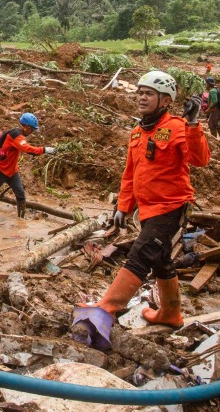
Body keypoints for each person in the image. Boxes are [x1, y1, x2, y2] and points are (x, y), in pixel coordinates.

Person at [77, 70, 210, 350]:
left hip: (171, 208)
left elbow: (200, 160)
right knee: (161, 260)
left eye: (148, 94)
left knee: (141, 255)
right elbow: (130, 173)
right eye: (140, 92)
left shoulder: (177, 127)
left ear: (164, 100)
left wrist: (194, 123)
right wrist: (123, 207)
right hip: (148, 210)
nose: (141, 98)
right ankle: (170, 313)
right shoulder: (137, 133)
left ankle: (107, 307)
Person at [0, 112, 55, 218]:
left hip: (12, 171)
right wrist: (45, 150)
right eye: (32, 129)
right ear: (27, 127)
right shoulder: (16, 135)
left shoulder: (18, 134)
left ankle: (21, 219)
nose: (32, 132)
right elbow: (27, 149)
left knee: (20, 195)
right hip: (1, 170)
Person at [203, 77, 220, 141]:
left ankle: (214, 140)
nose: (206, 85)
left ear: (209, 84)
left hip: (216, 109)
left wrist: (209, 109)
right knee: (216, 123)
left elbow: (215, 101)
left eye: (206, 83)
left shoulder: (212, 91)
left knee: (211, 123)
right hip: (218, 109)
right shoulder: (216, 89)